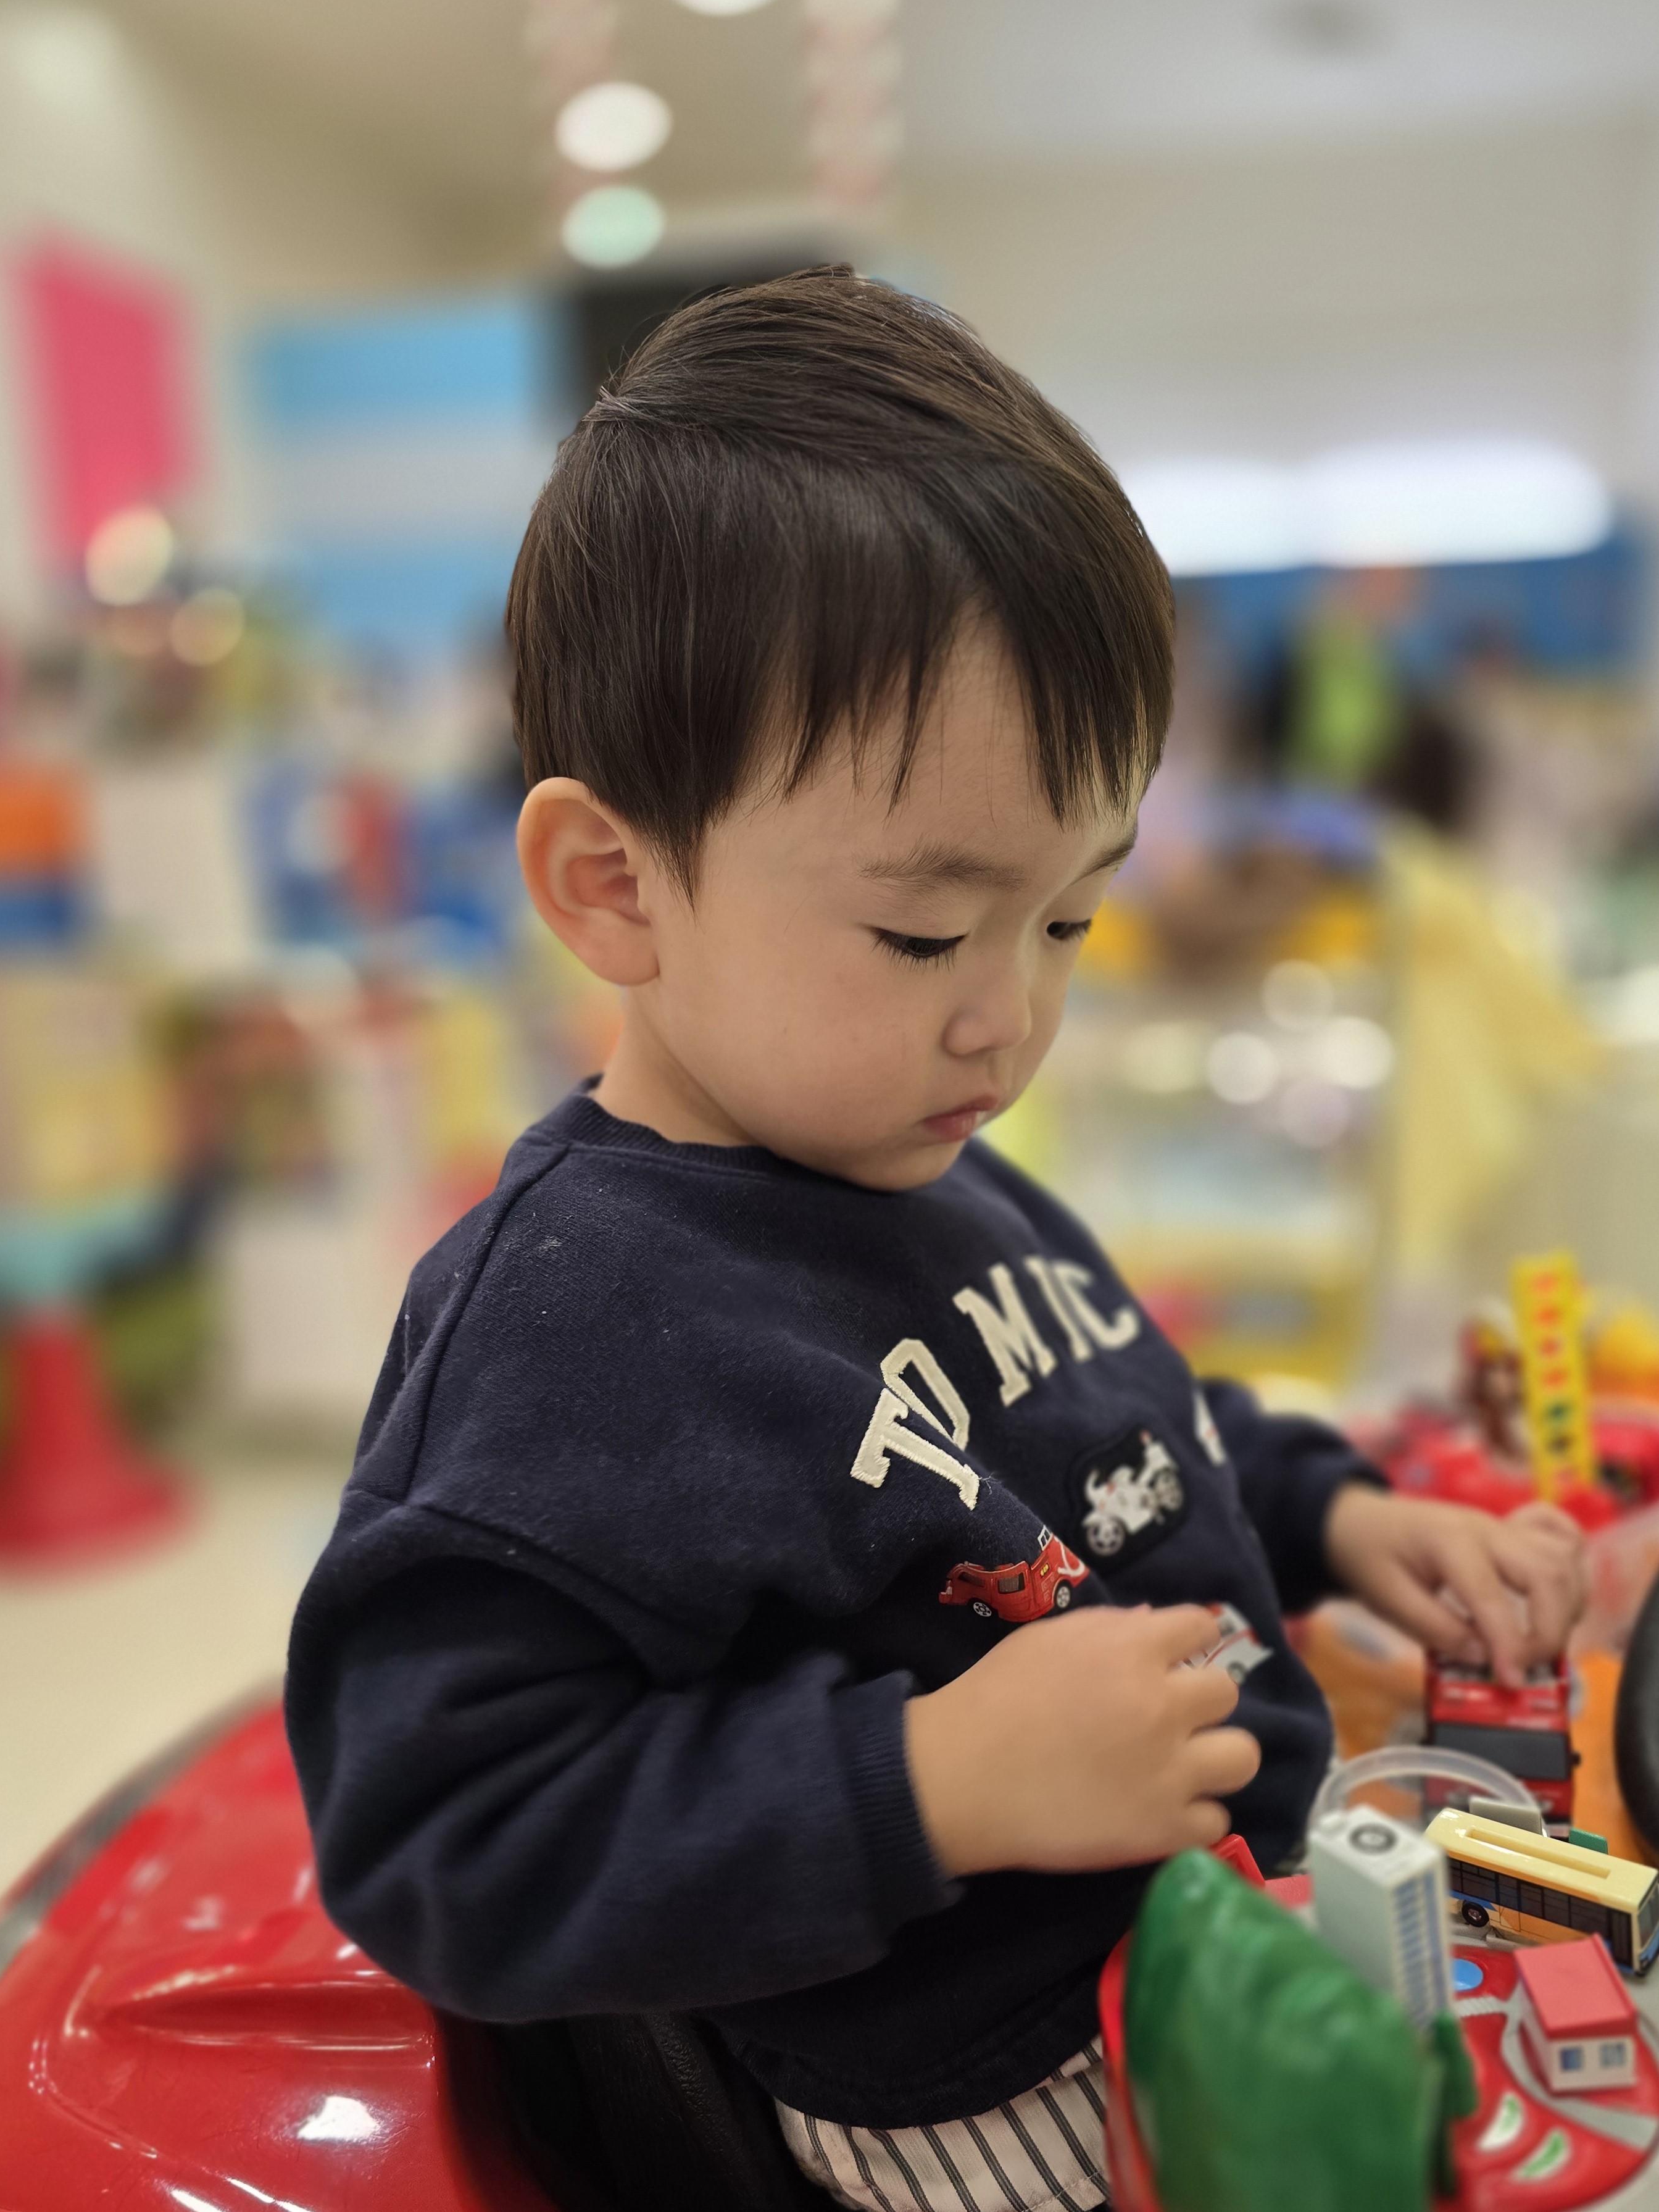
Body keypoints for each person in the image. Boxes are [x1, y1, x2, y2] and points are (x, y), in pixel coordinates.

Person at [284, 269, 1586, 2212]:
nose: (1009, 1018)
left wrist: (1332, 1511)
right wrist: (929, 1783)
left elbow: (1103, 1424)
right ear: (614, 883)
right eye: (922, 932)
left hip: (1239, 1927)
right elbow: (441, 1842)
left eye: (1066, 919)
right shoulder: (577, 1323)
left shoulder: (924, 1155)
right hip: (1008, 2089)